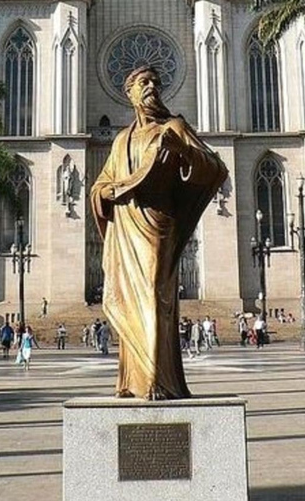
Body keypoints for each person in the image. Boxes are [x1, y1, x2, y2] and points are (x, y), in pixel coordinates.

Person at [89, 66, 227, 400]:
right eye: (143, 83)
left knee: (153, 294)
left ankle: (160, 379)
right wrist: (104, 193)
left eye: (155, 82)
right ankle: (134, 380)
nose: (151, 87)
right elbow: (102, 183)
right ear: (130, 92)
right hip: (125, 224)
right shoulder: (121, 139)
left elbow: (215, 167)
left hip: (158, 224)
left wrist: (182, 152)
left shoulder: (174, 126)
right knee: (126, 299)